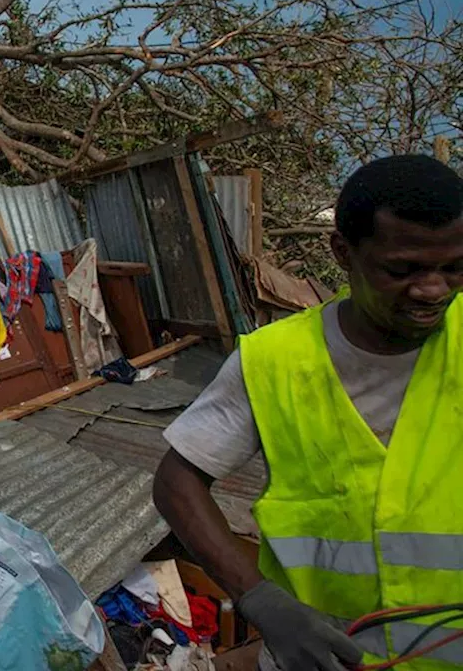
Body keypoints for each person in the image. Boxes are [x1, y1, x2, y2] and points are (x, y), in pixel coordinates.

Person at [153, 154, 463, 671]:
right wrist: (260, 600)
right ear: (343, 252)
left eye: (454, 268)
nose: (433, 290)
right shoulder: (275, 361)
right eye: (402, 270)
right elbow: (176, 483)